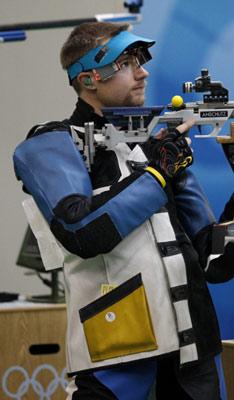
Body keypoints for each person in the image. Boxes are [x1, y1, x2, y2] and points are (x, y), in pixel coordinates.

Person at [13, 22, 234, 400]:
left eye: (142, 60)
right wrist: (158, 172)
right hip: (117, 357)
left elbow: (213, 260)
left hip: (195, 360)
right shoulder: (50, 143)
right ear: (89, 78)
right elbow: (82, 229)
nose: (143, 71)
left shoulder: (157, 148)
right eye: (128, 61)